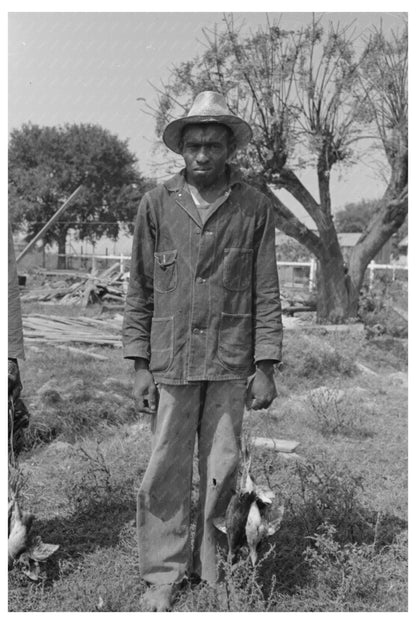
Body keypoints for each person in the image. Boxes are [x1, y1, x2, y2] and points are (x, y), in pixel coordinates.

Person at [122, 91, 283, 611]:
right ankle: (162, 575)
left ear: (229, 147)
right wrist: (138, 364)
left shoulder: (254, 207)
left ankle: (212, 569)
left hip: (231, 358)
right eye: (194, 145)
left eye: (213, 144)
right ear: (181, 149)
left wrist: (266, 366)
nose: (202, 155)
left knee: (222, 465)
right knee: (165, 468)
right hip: (171, 358)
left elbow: (266, 289)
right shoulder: (155, 204)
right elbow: (140, 290)